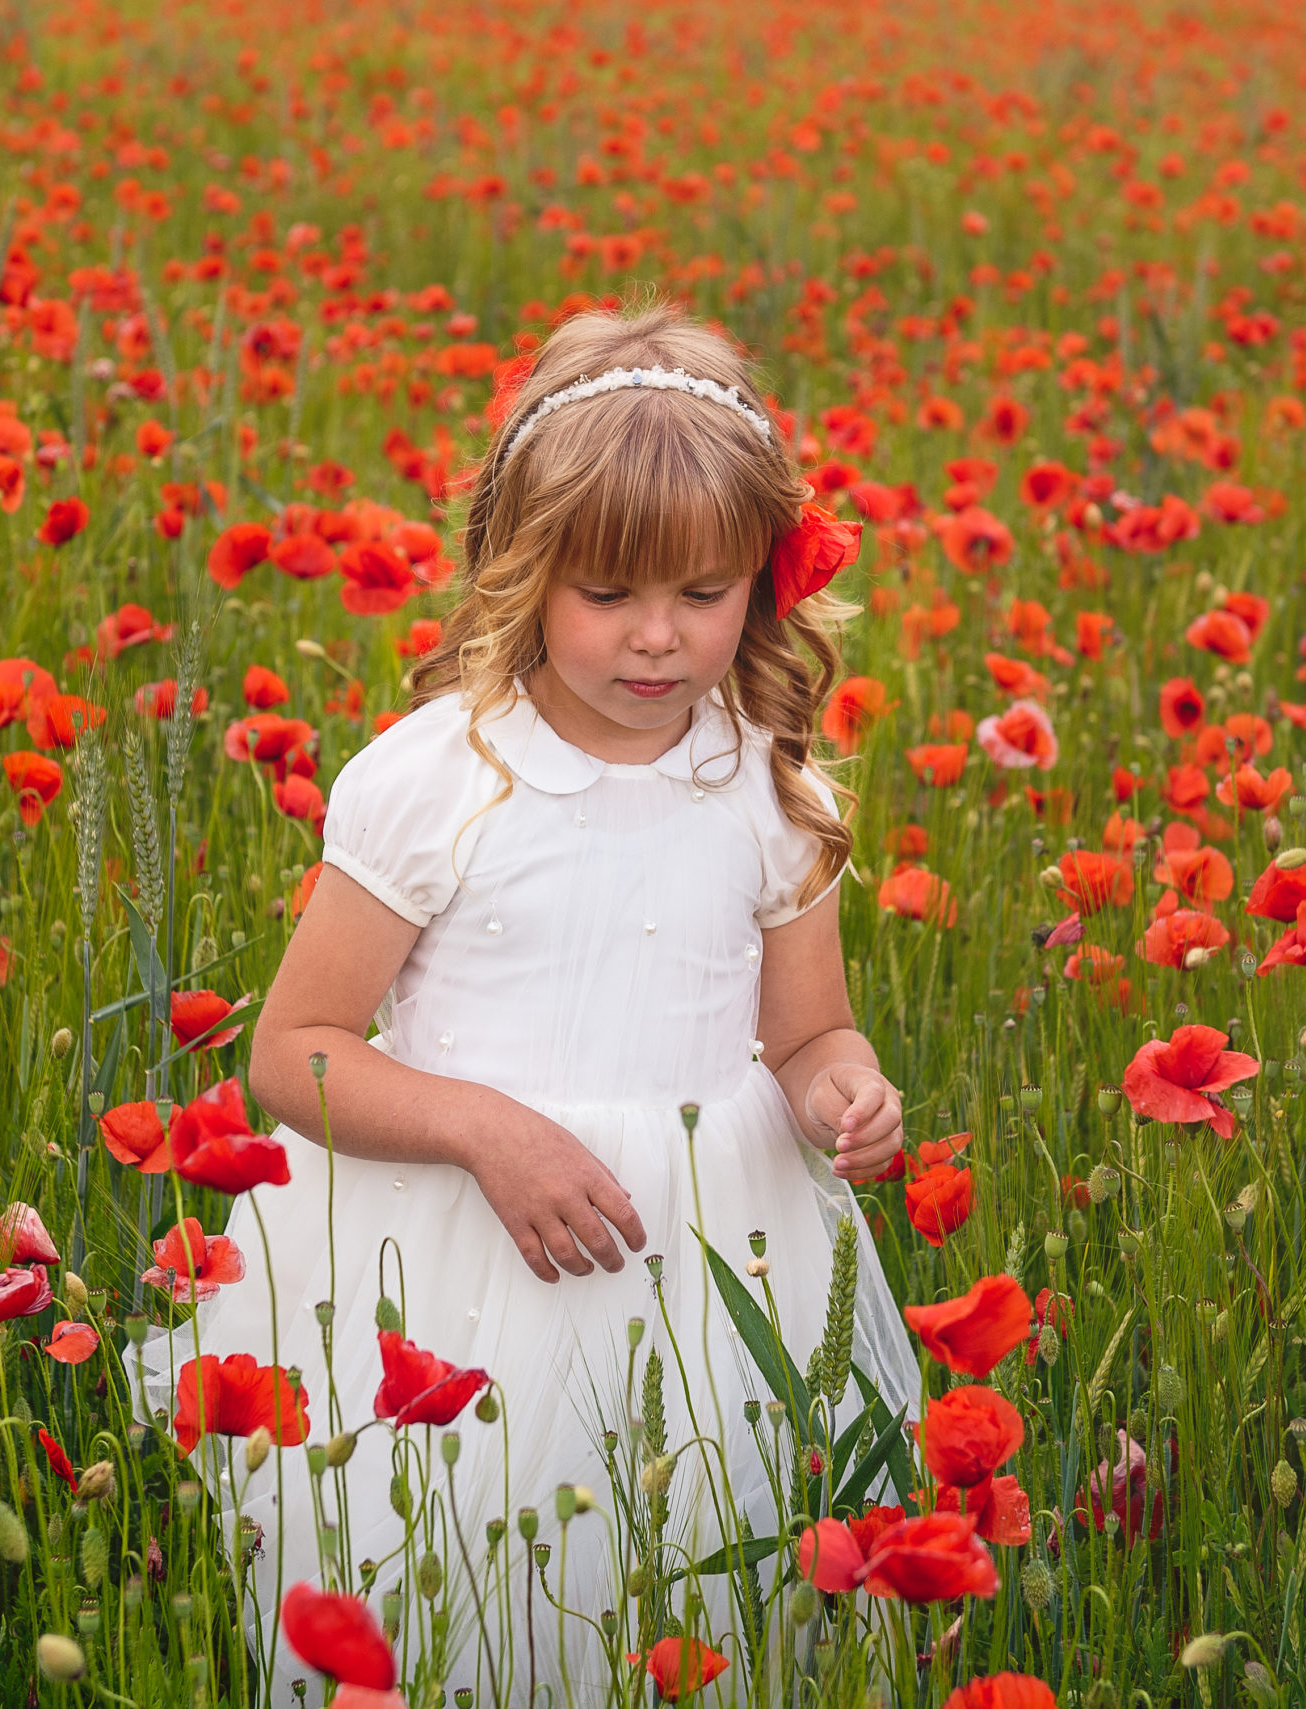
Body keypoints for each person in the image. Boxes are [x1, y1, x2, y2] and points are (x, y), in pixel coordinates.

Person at [127, 301, 919, 1703]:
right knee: (480, 1586)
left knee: (709, 1568)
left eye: (704, 591)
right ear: (526, 567)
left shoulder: (772, 783)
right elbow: (292, 1052)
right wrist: (486, 1131)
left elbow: (806, 1031)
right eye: (608, 595)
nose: (659, 638)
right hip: (462, 1250)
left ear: (765, 583)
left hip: (723, 1247)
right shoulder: (442, 777)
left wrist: (843, 1091)